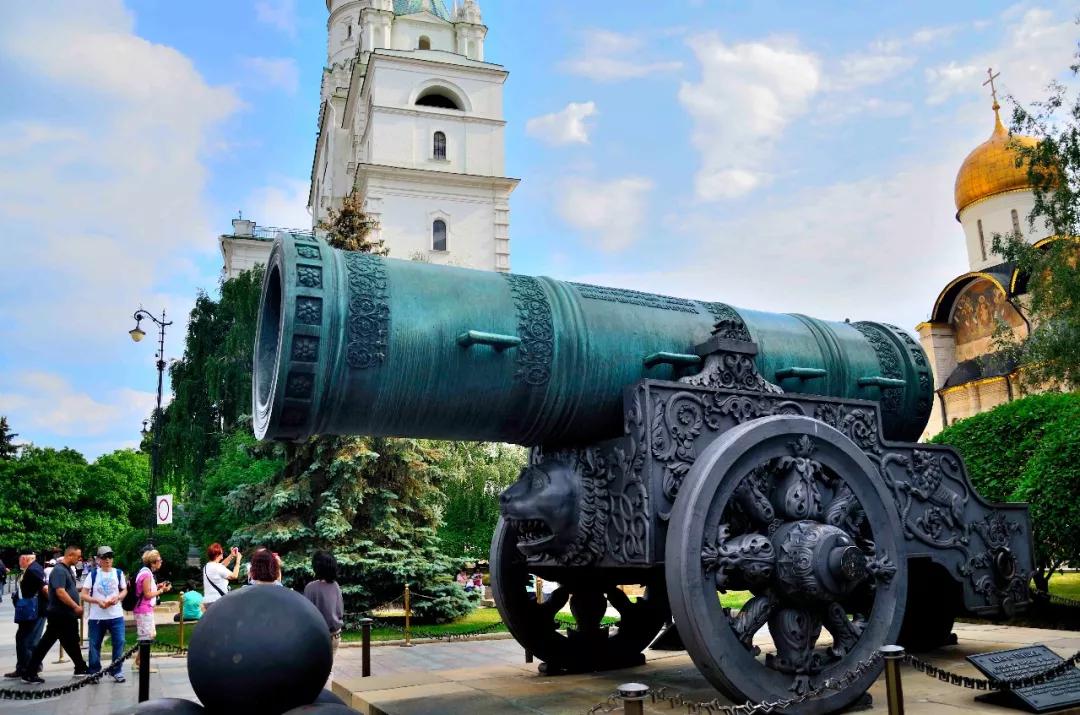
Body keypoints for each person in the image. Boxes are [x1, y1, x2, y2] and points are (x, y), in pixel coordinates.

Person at [22, 546, 88, 683]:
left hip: (64, 614)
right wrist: (75, 606)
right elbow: (60, 592)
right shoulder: (59, 570)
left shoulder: (66, 569)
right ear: (70, 555)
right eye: (77, 556)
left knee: (68, 641)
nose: (79, 559)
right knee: (56, 642)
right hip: (61, 614)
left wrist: (79, 590)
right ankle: (30, 672)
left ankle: (80, 667)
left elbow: (67, 589)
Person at [80, 546, 128, 683]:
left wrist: (118, 597)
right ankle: (94, 672)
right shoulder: (93, 574)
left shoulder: (118, 573)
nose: (108, 560)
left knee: (120, 642)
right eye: (105, 557)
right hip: (97, 617)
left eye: (110, 557)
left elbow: (124, 590)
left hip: (115, 615)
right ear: (99, 560)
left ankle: (116, 670)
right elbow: (83, 594)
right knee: (94, 644)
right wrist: (97, 601)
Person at [5, 551, 48, 680]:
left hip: (35, 611)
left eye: (20, 560)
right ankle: (23, 667)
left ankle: (30, 669)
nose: (19, 563)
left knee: (29, 641)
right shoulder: (31, 569)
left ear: (24, 559)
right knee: (22, 638)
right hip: (28, 611)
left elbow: (45, 588)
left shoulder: (34, 570)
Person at [303, 551, 343, 671]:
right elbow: (340, 611)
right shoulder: (335, 586)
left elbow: (307, 615)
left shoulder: (310, 588)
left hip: (317, 638)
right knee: (328, 670)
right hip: (335, 635)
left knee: (316, 671)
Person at [133, 549, 170, 670]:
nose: (161, 562)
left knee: (150, 635)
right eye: (159, 560)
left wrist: (158, 586)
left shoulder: (146, 572)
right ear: (153, 562)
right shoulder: (146, 574)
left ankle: (139, 661)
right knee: (146, 637)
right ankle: (143, 665)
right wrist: (162, 590)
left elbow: (147, 590)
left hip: (145, 609)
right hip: (143, 610)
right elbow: (147, 594)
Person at [202, 543, 241, 608]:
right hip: (218, 601)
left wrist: (231, 555)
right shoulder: (218, 568)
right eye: (221, 552)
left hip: (208, 602)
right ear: (217, 555)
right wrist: (238, 561)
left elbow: (222, 565)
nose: (223, 553)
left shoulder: (207, 566)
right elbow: (234, 576)